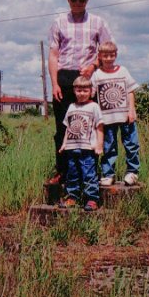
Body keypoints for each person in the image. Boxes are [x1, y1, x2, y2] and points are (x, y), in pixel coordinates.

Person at [48, 0, 113, 184]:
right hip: (64, 77)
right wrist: (54, 84)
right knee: (63, 127)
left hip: (87, 78)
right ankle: (63, 172)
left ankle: (93, 173)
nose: (77, 2)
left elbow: (107, 51)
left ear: (87, 0)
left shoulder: (98, 22)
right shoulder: (58, 22)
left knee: (92, 124)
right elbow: (53, 54)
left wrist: (94, 66)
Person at [91, 41, 141, 186]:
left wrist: (132, 110)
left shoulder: (123, 70)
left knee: (131, 144)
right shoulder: (97, 75)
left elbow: (130, 91)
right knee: (108, 146)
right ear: (100, 56)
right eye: (105, 55)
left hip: (125, 116)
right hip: (106, 118)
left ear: (116, 55)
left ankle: (133, 172)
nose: (108, 58)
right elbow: (91, 94)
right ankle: (108, 174)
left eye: (111, 55)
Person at [58, 76, 104, 211]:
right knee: (72, 174)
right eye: (79, 90)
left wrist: (99, 145)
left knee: (89, 174)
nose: (82, 93)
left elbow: (100, 127)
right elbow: (69, 127)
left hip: (87, 148)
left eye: (85, 90)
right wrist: (64, 144)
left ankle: (92, 199)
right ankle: (72, 197)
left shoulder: (94, 106)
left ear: (91, 91)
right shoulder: (71, 107)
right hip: (72, 148)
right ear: (74, 91)